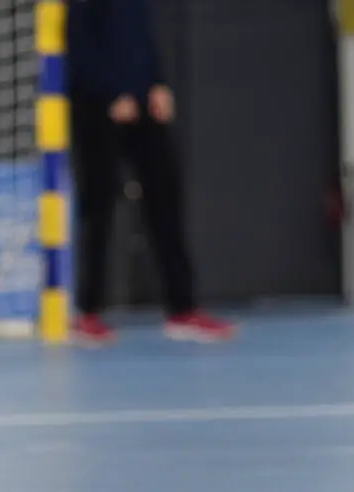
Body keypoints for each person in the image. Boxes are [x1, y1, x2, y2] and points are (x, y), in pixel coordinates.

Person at [65, 0, 235, 345]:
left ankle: (183, 310)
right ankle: (86, 312)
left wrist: (158, 83)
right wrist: (110, 94)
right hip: (99, 108)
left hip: (143, 106)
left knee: (166, 202)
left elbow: (142, 39)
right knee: (97, 210)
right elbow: (78, 47)